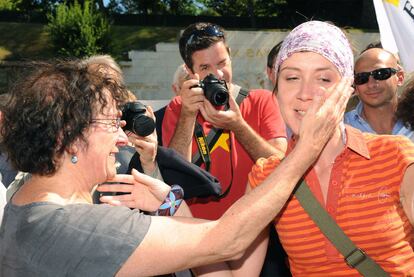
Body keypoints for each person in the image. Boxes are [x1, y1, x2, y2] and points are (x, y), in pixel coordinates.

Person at [0, 57, 351, 276]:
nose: (122, 138)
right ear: (69, 138)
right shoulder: (85, 228)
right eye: (111, 122)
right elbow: (223, 242)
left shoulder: (28, 201)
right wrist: (305, 151)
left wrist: (170, 204)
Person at [238, 20, 414, 276]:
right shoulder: (265, 176)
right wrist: (168, 198)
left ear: (347, 89)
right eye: (292, 77)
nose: (305, 93)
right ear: (276, 90)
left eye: (323, 78)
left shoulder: (397, 155)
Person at [162, 22, 287, 221]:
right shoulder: (179, 107)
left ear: (230, 55)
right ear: (189, 69)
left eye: (222, 63)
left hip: (250, 228)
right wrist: (187, 114)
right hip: (194, 229)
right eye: (205, 67)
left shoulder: (261, 100)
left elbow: (283, 168)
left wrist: (238, 126)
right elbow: (176, 177)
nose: (218, 74)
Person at [344, 45, 414, 140]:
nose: (371, 84)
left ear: (400, 77)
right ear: (355, 86)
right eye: (362, 78)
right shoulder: (341, 130)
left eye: (380, 74)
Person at [155, 63, 190, 146]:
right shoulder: (156, 120)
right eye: (188, 88)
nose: (194, 93)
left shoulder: (217, 115)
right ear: (175, 89)